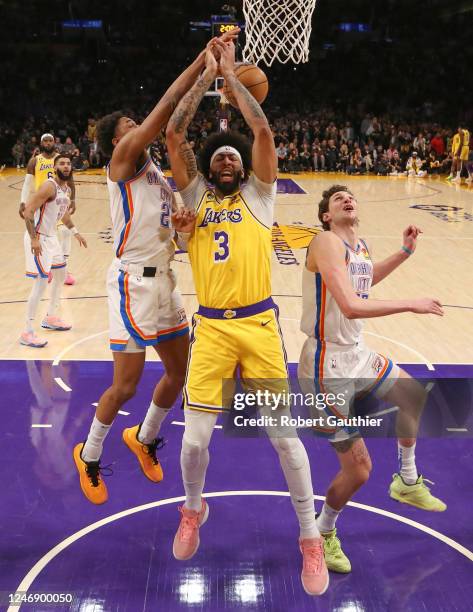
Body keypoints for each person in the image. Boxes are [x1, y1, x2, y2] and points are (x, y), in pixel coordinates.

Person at [165, 40, 329, 597]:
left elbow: (261, 132)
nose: (227, 160)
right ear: (208, 169)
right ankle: (193, 510)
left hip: (259, 326)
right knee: (192, 444)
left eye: (231, 155)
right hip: (210, 328)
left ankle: (309, 538)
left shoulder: (262, 196)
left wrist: (231, 77)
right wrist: (204, 74)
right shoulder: (194, 200)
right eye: (218, 159)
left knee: (286, 440)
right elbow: (174, 135)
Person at [72, 29, 239, 506]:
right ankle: (89, 452)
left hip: (165, 280)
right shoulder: (122, 162)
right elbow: (165, 109)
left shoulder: (157, 177)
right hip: (130, 283)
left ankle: (143, 438)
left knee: (177, 373)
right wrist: (202, 63)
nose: (136, 127)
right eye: (128, 124)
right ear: (117, 140)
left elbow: (178, 236)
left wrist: (185, 228)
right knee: (124, 385)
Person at [298, 184, 446, 574]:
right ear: (327, 215)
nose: (347, 199)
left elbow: (362, 282)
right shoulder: (325, 241)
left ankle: (407, 480)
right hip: (327, 367)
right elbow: (349, 304)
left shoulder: (357, 245)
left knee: (413, 395)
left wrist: (404, 253)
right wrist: (410, 303)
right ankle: (321, 531)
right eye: (337, 199)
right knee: (359, 470)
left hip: (357, 354)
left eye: (351, 196)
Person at [21, 154, 87, 347]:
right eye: (62, 164)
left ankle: (50, 317)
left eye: (68, 164)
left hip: (52, 239)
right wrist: (34, 239)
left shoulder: (64, 189)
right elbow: (28, 211)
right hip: (39, 237)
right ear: (55, 167)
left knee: (60, 275)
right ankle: (27, 331)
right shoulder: (49, 186)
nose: (66, 166)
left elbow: (63, 214)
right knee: (41, 283)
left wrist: (76, 232)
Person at [19, 133, 77, 286]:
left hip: (59, 201)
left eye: (50, 140)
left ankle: (64, 270)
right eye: (45, 140)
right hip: (42, 205)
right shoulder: (35, 160)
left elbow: (70, 179)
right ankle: (48, 268)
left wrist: (73, 199)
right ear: (41, 142)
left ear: (54, 142)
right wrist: (23, 202)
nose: (48, 142)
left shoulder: (60, 159)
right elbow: (26, 183)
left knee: (65, 232)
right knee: (45, 238)